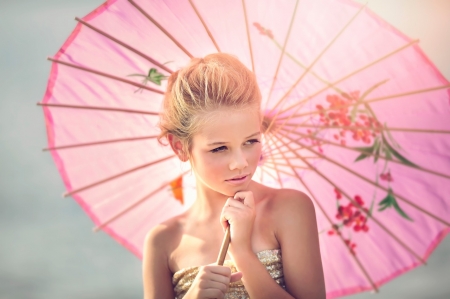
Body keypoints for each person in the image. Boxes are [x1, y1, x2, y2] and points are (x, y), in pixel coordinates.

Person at [142, 53, 325, 299]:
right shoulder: (163, 241)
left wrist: (242, 253)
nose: (241, 163)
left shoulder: (289, 208)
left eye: (251, 141)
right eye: (219, 148)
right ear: (179, 147)